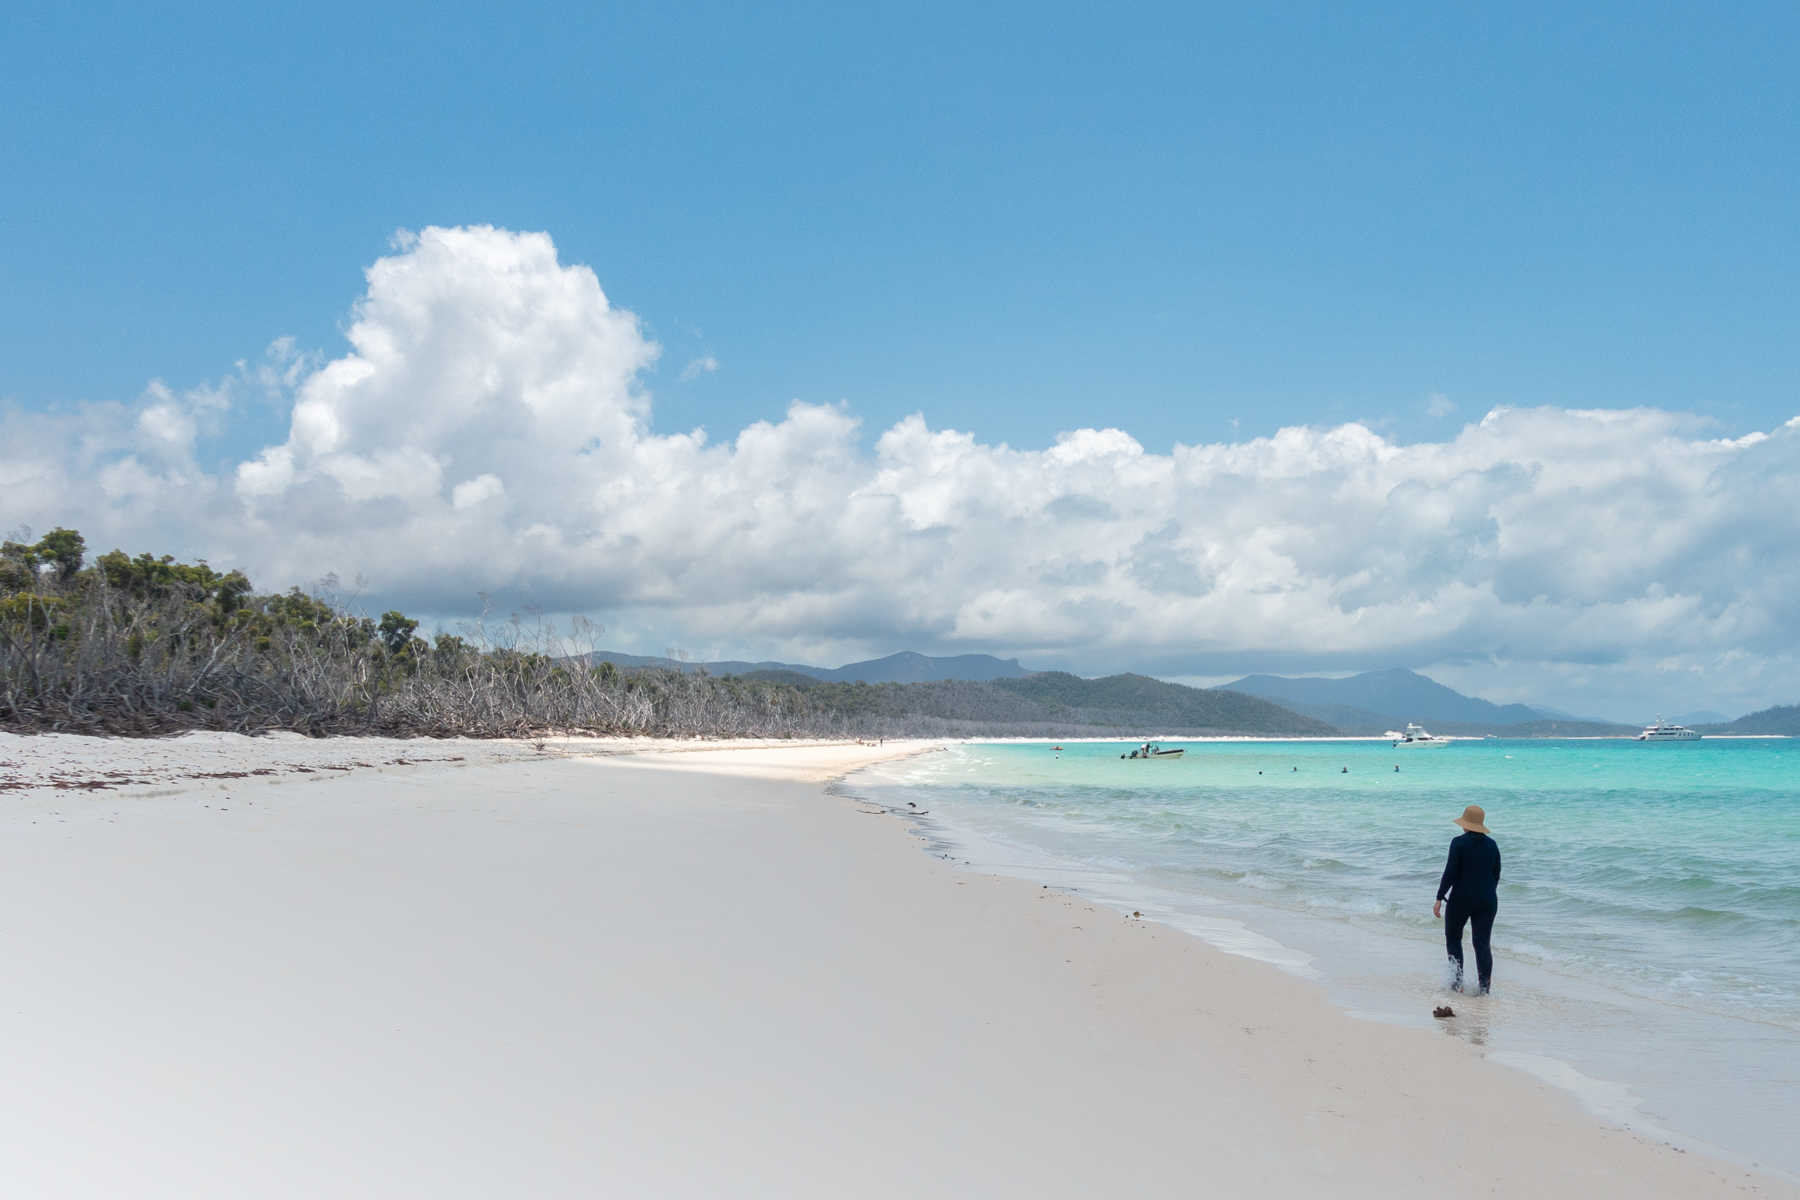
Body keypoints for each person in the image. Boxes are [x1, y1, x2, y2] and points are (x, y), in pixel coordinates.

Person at [1433, 804, 1501, 994]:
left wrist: (1439, 897)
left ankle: (1457, 984)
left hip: (1461, 899)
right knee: (1482, 943)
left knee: (1454, 938)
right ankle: (1484, 990)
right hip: (1487, 900)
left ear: (1465, 823)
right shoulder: (1492, 845)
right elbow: (1496, 873)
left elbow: (1450, 873)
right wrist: (1486, 892)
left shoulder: (1458, 843)